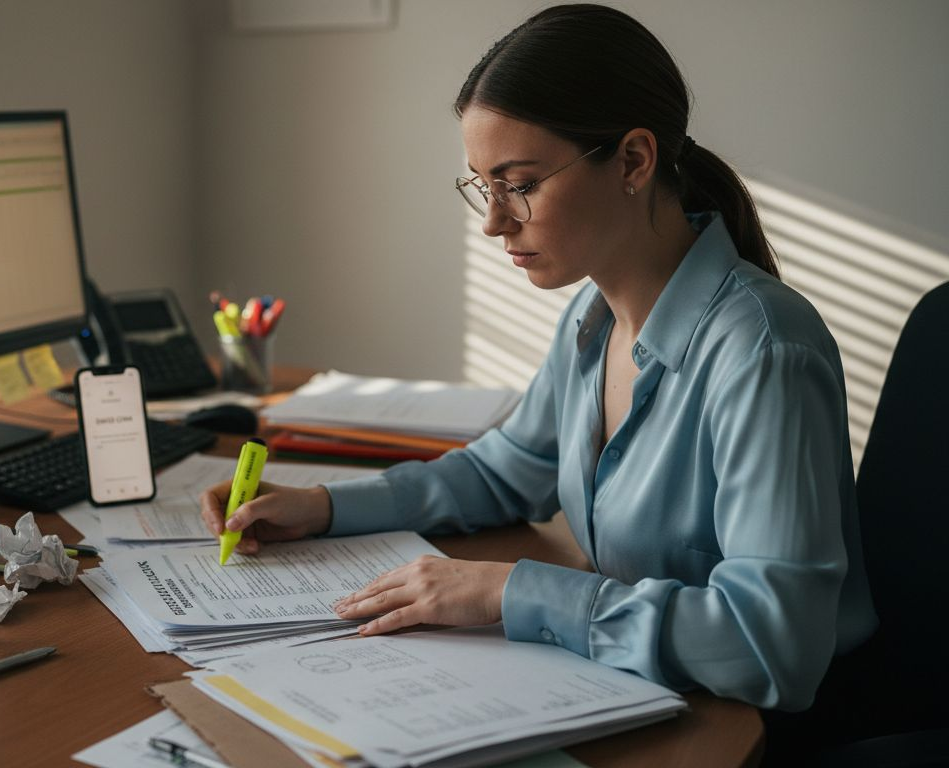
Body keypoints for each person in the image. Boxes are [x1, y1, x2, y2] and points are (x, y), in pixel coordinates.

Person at [199, 1, 877, 724]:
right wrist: (325, 506)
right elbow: (502, 472)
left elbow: (773, 645)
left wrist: (509, 591)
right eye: (482, 186)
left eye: (519, 185)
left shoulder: (762, 351)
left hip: (756, 729)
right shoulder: (591, 319)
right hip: (642, 692)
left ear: (633, 160)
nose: (494, 222)